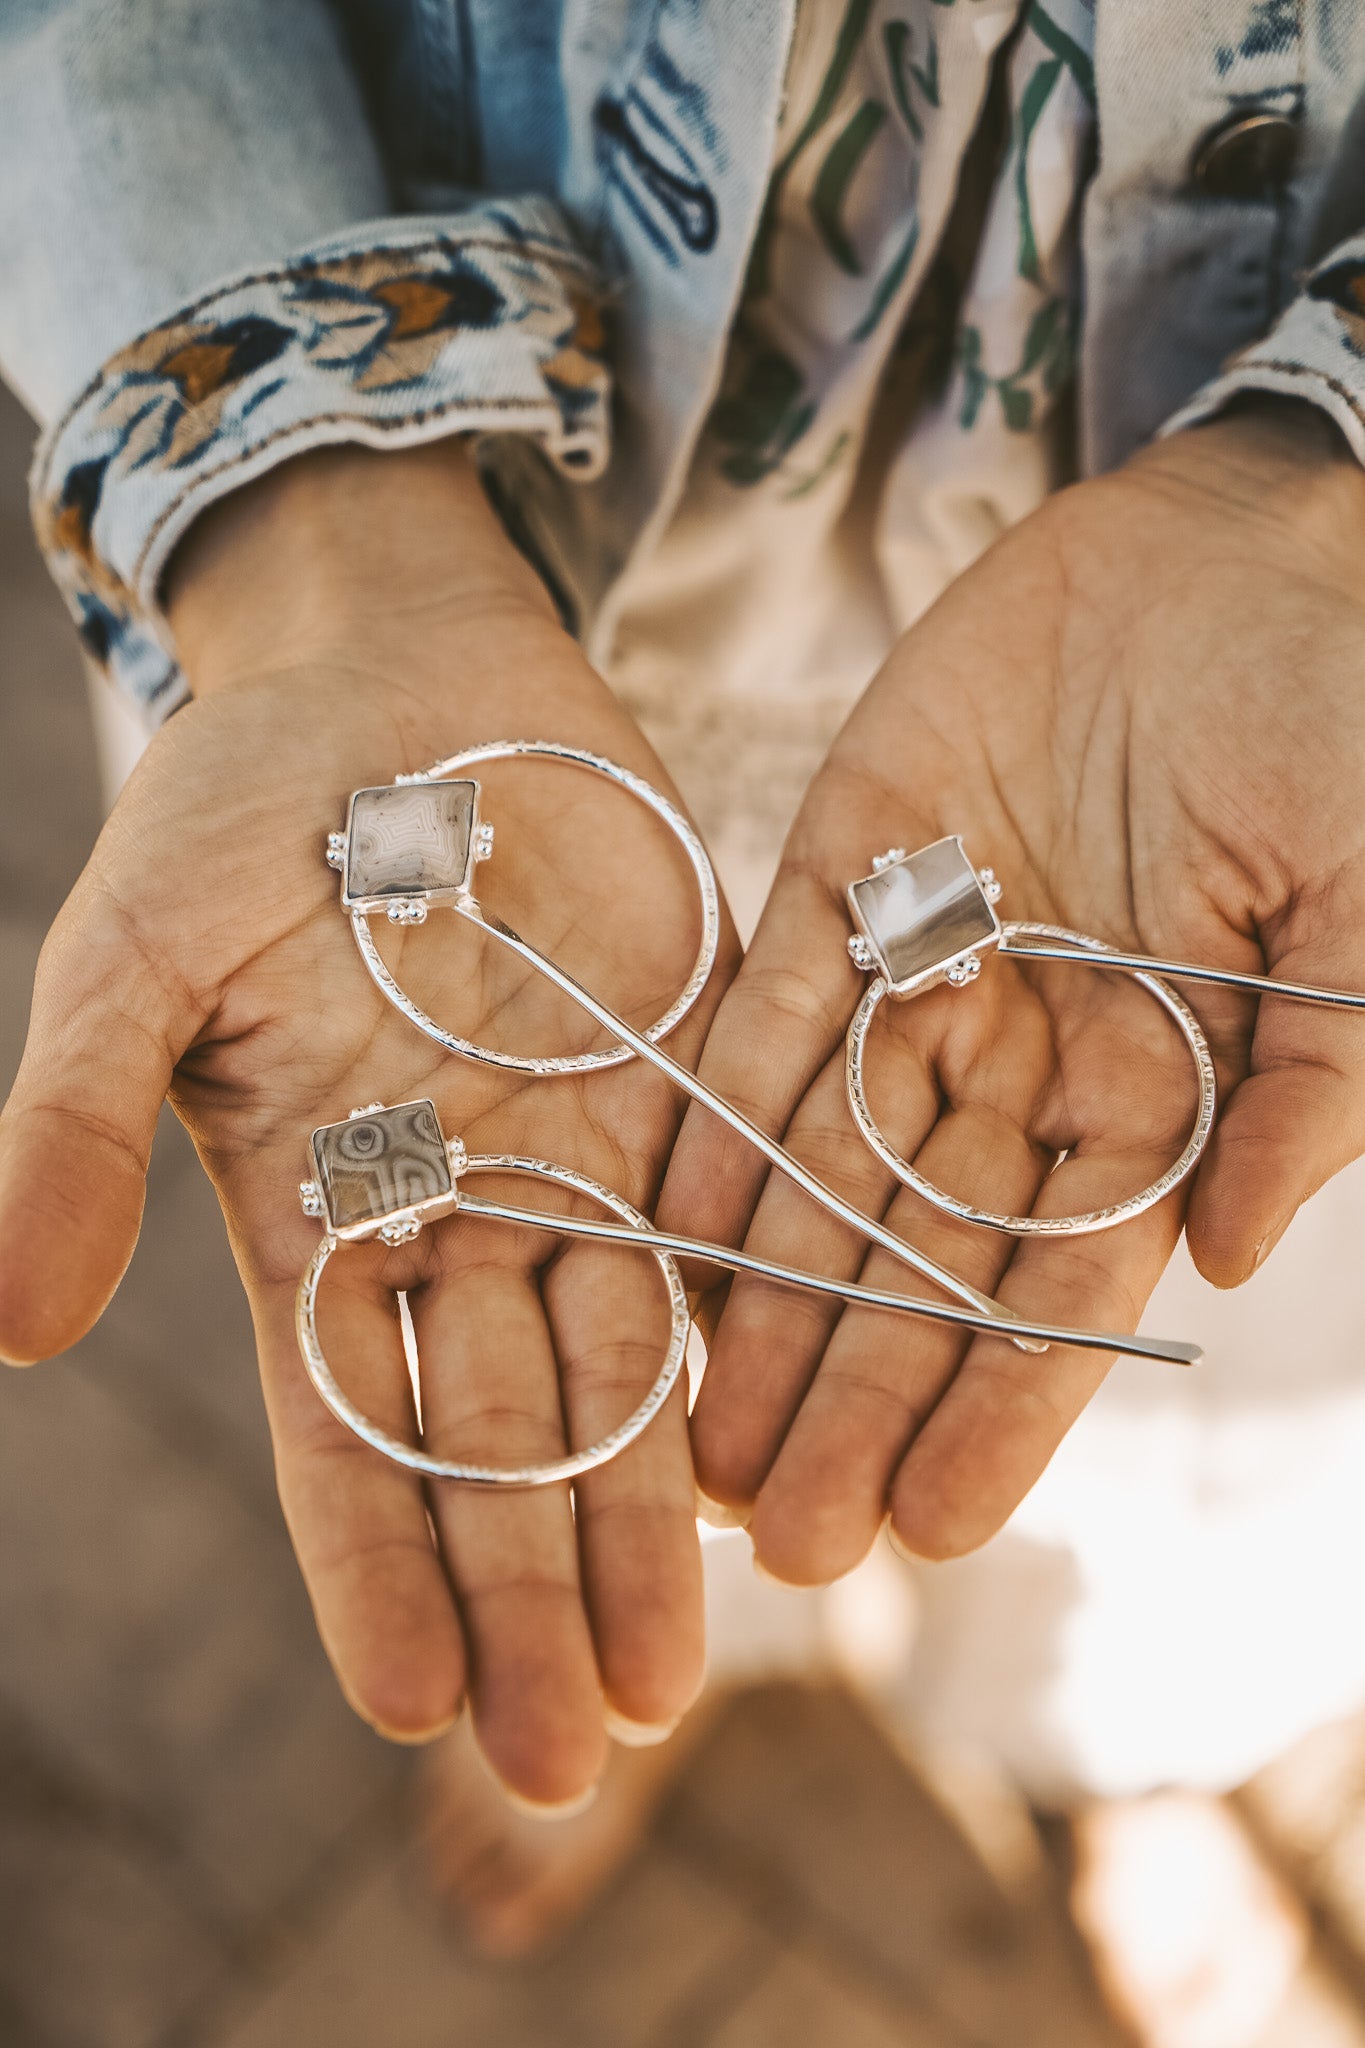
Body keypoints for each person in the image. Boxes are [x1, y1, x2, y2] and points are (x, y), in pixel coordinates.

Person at [5, 0, 1365, 2027]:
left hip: (1167, 746)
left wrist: (1319, 491)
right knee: (589, 1292)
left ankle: (1110, 1732)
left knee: (1076, 1317)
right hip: (467, 564)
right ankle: (693, 1668)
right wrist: (304, 550)